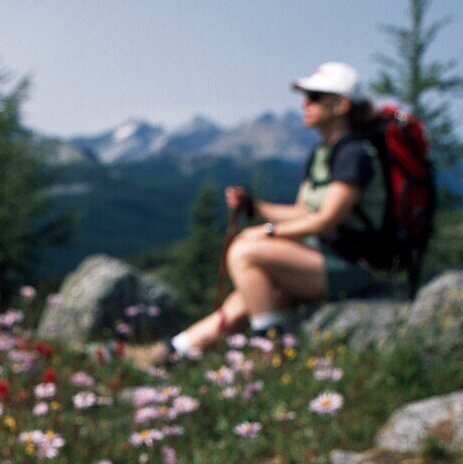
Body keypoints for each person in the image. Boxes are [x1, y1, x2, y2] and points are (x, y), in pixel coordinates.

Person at [136, 62, 387, 365]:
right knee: (245, 298)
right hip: (320, 259)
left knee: (245, 252)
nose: (304, 103)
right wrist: (255, 208)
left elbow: (326, 220)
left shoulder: (354, 154)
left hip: (348, 265)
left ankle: (270, 348)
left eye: (314, 97)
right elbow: (302, 212)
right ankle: (172, 351)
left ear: (341, 105)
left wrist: (266, 232)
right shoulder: (324, 152)